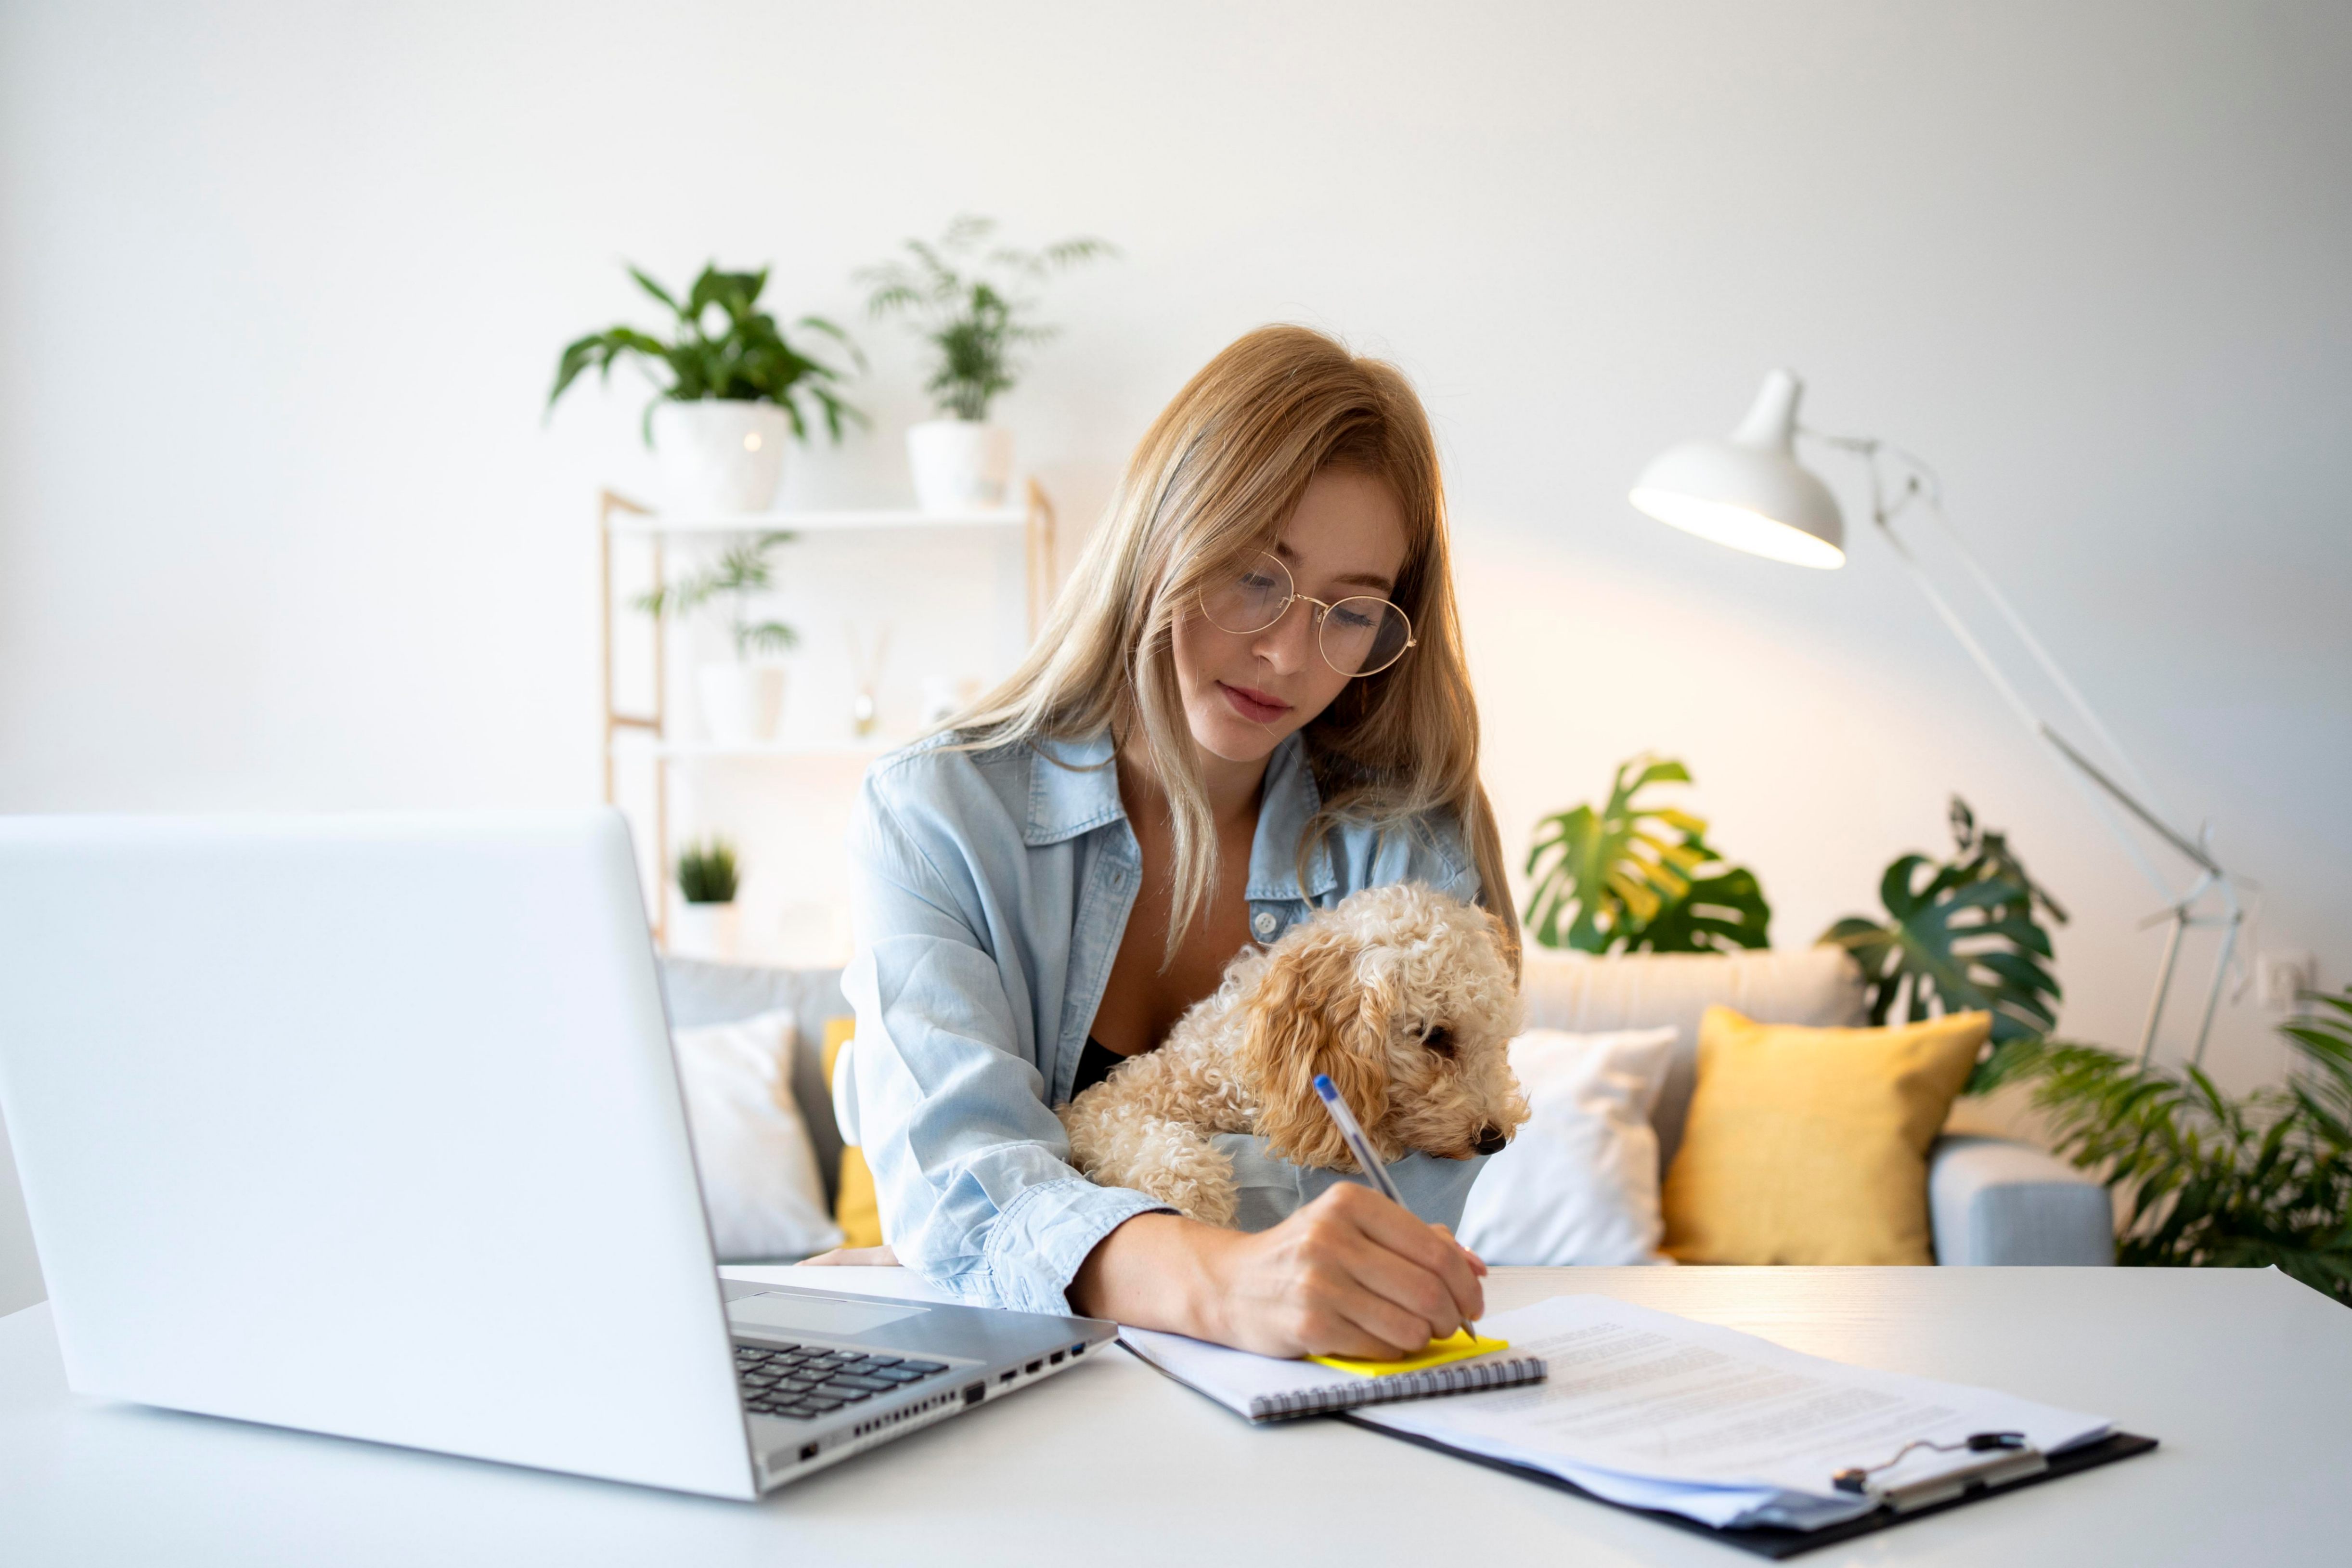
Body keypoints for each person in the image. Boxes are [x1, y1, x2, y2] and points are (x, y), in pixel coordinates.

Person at [830, 325, 1519, 1359]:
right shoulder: (933, 814)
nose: (1287, 651)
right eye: (1254, 573)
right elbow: (959, 1182)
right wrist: (1222, 1281)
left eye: (1350, 610)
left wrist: (1024, 1223)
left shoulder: (1407, 848)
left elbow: (1407, 1211)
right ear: (1160, 534)